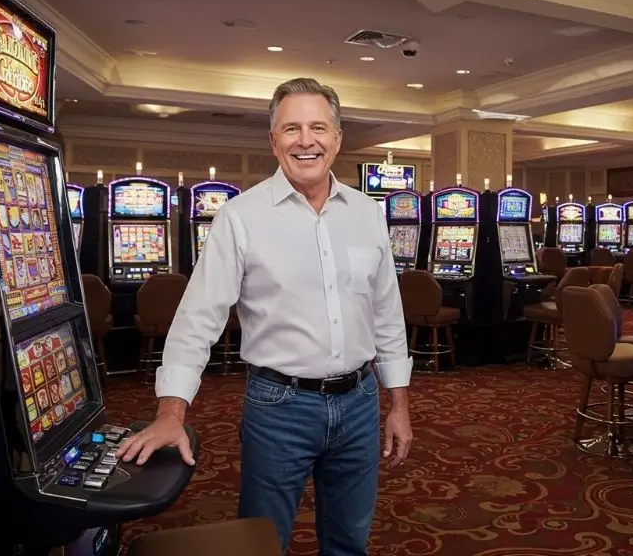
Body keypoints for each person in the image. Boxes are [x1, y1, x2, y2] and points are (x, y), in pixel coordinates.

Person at [115, 77, 414, 555]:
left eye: (318, 127)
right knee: (261, 541)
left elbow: (386, 314)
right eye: (291, 128)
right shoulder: (240, 216)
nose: (306, 140)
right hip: (280, 405)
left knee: (350, 541)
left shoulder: (367, 212)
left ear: (337, 138)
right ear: (274, 141)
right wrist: (171, 412)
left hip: (359, 402)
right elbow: (197, 319)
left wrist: (398, 405)